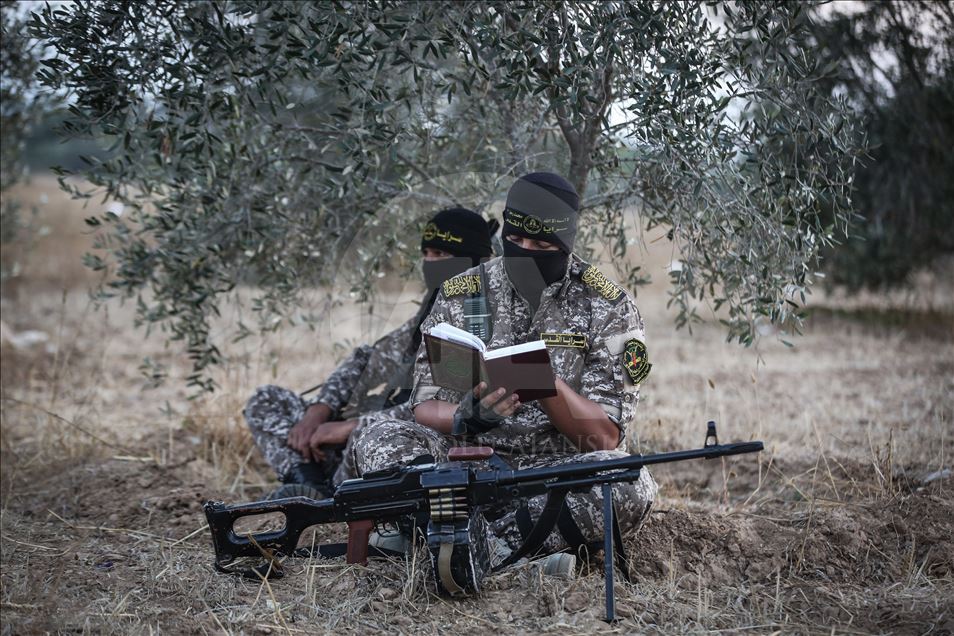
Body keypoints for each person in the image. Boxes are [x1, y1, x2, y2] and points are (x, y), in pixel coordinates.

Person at [350, 172, 656, 563]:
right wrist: (464, 418)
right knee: (378, 436)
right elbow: (425, 405)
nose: (525, 251)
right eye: (515, 240)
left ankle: (479, 548)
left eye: (541, 244)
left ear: (564, 242)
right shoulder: (464, 291)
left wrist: (545, 383)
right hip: (466, 464)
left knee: (627, 479)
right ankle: (515, 548)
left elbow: (604, 436)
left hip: (554, 466)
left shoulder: (608, 305)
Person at [244, 208, 497, 499]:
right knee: (265, 400)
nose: (429, 262)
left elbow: (445, 408)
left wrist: (352, 426)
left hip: (403, 439)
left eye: (440, 254)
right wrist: (320, 410)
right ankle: (308, 483)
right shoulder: (433, 310)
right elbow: (368, 359)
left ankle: (329, 497)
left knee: (375, 436)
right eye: (426, 253)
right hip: (363, 431)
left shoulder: (480, 317)